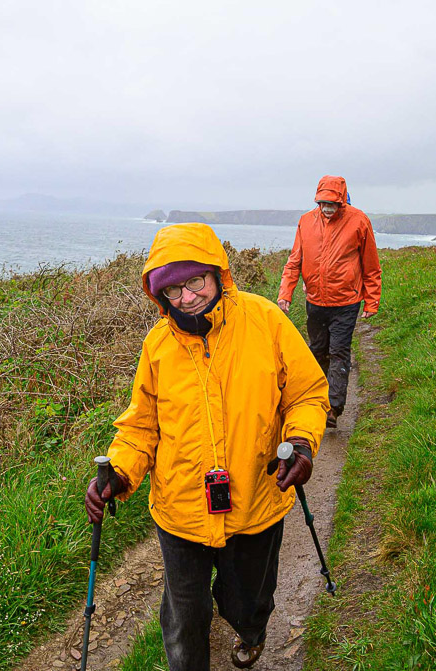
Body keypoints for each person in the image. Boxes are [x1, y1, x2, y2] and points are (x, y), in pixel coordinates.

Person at [84, 223, 329, 670]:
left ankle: (251, 631)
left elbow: (307, 393)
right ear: (159, 296)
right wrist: (117, 472)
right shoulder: (157, 345)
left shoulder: (265, 320)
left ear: (218, 273)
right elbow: (141, 427)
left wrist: (301, 443)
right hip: (180, 510)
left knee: (247, 599)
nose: (187, 297)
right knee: (183, 618)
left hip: (257, 499)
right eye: (172, 290)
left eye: (194, 281)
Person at [277, 175, 382, 428]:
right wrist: (285, 294)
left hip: (346, 302)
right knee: (317, 351)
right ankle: (313, 400)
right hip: (315, 301)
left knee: (339, 352)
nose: (327, 208)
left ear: (341, 201)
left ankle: (334, 407)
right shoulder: (305, 222)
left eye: (332, 203)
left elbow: (371, 264)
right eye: (323, 203)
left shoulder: (359, 221)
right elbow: (295, 261)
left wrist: (371, 301)